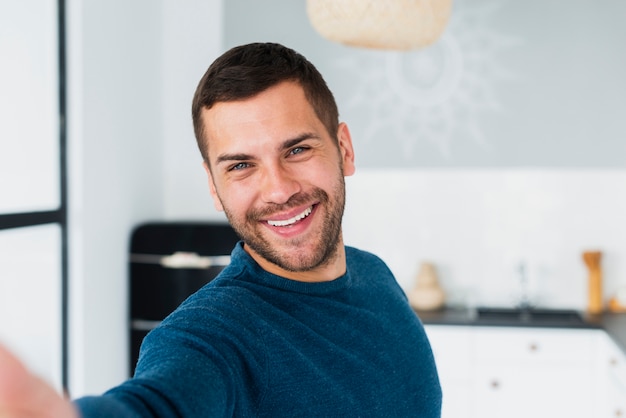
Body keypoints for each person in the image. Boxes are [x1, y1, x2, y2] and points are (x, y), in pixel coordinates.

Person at [0, 42, 441, 417]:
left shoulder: (377, 276)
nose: (279, 189)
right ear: (214, 187)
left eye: (298, 149)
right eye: (242, 165)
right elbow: (162, 401)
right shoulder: (211, 336)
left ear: (343, 148)